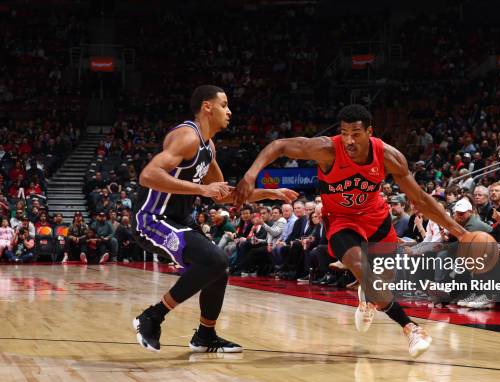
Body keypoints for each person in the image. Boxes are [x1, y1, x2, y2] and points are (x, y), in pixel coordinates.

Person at [234, 104, 467, 358]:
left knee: (384, 276)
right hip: (342, 220)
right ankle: (410, 327)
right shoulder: (326, 149)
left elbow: (420, 200)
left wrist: (461, 233)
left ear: (369, 132)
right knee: (362, 267)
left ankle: (366, 295)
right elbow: (278, 146)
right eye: (344, 133)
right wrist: (251, 174)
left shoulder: (389, 157)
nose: (348, 140)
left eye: (355, 133)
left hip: (376, 217)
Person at [131, 85, 297, 353]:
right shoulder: (187, 137)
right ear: (208, 107)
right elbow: (148, 175)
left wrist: (268, 193)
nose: (229, 111)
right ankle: (152, 316)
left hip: (178, 219)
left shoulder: (208, 147)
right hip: (152, 219)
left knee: (218, 267)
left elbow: (222, 194)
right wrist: (200, 189)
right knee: (215, 259)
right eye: (224, 105)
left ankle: (205, 336)